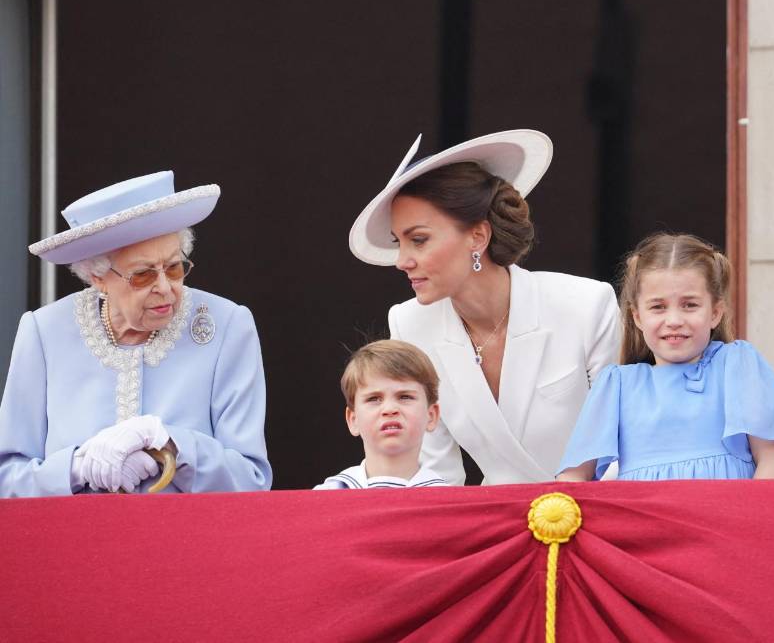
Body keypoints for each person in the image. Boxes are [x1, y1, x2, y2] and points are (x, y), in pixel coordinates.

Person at [349, 130, 621, 486]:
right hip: (492, 524)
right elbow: (435, 471)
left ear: (478, 236)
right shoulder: (409, 323)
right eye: (398, 242)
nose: (402, 261)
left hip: (594, 513)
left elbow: (622, 445)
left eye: (418, 240)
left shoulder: (586, 305)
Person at [0, 172, 272, 497]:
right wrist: (75, 468)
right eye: (143, 276)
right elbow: (7, 479)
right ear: (97, 277)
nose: (165, 288)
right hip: (73, 542)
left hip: (188, 542)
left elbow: (250, 481)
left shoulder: (228, 327)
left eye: (174, 268)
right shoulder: (44, 333)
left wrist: (171, 445)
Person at [555, 233, 774, 481]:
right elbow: (573, 479)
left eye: (690, 305)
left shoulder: (738, 366)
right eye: (658, 307)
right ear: (637, 317)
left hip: (726, 516)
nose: (674, 321)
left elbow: (772, 461)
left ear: (716, 312)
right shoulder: (616, 386)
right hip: (642, 519)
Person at [315, 340, 447, 489]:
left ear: (431, 415)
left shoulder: (450, 502)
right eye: (374, 399)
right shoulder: (324, 498)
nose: (390, 409)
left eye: (405, 397)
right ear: (353, 419)